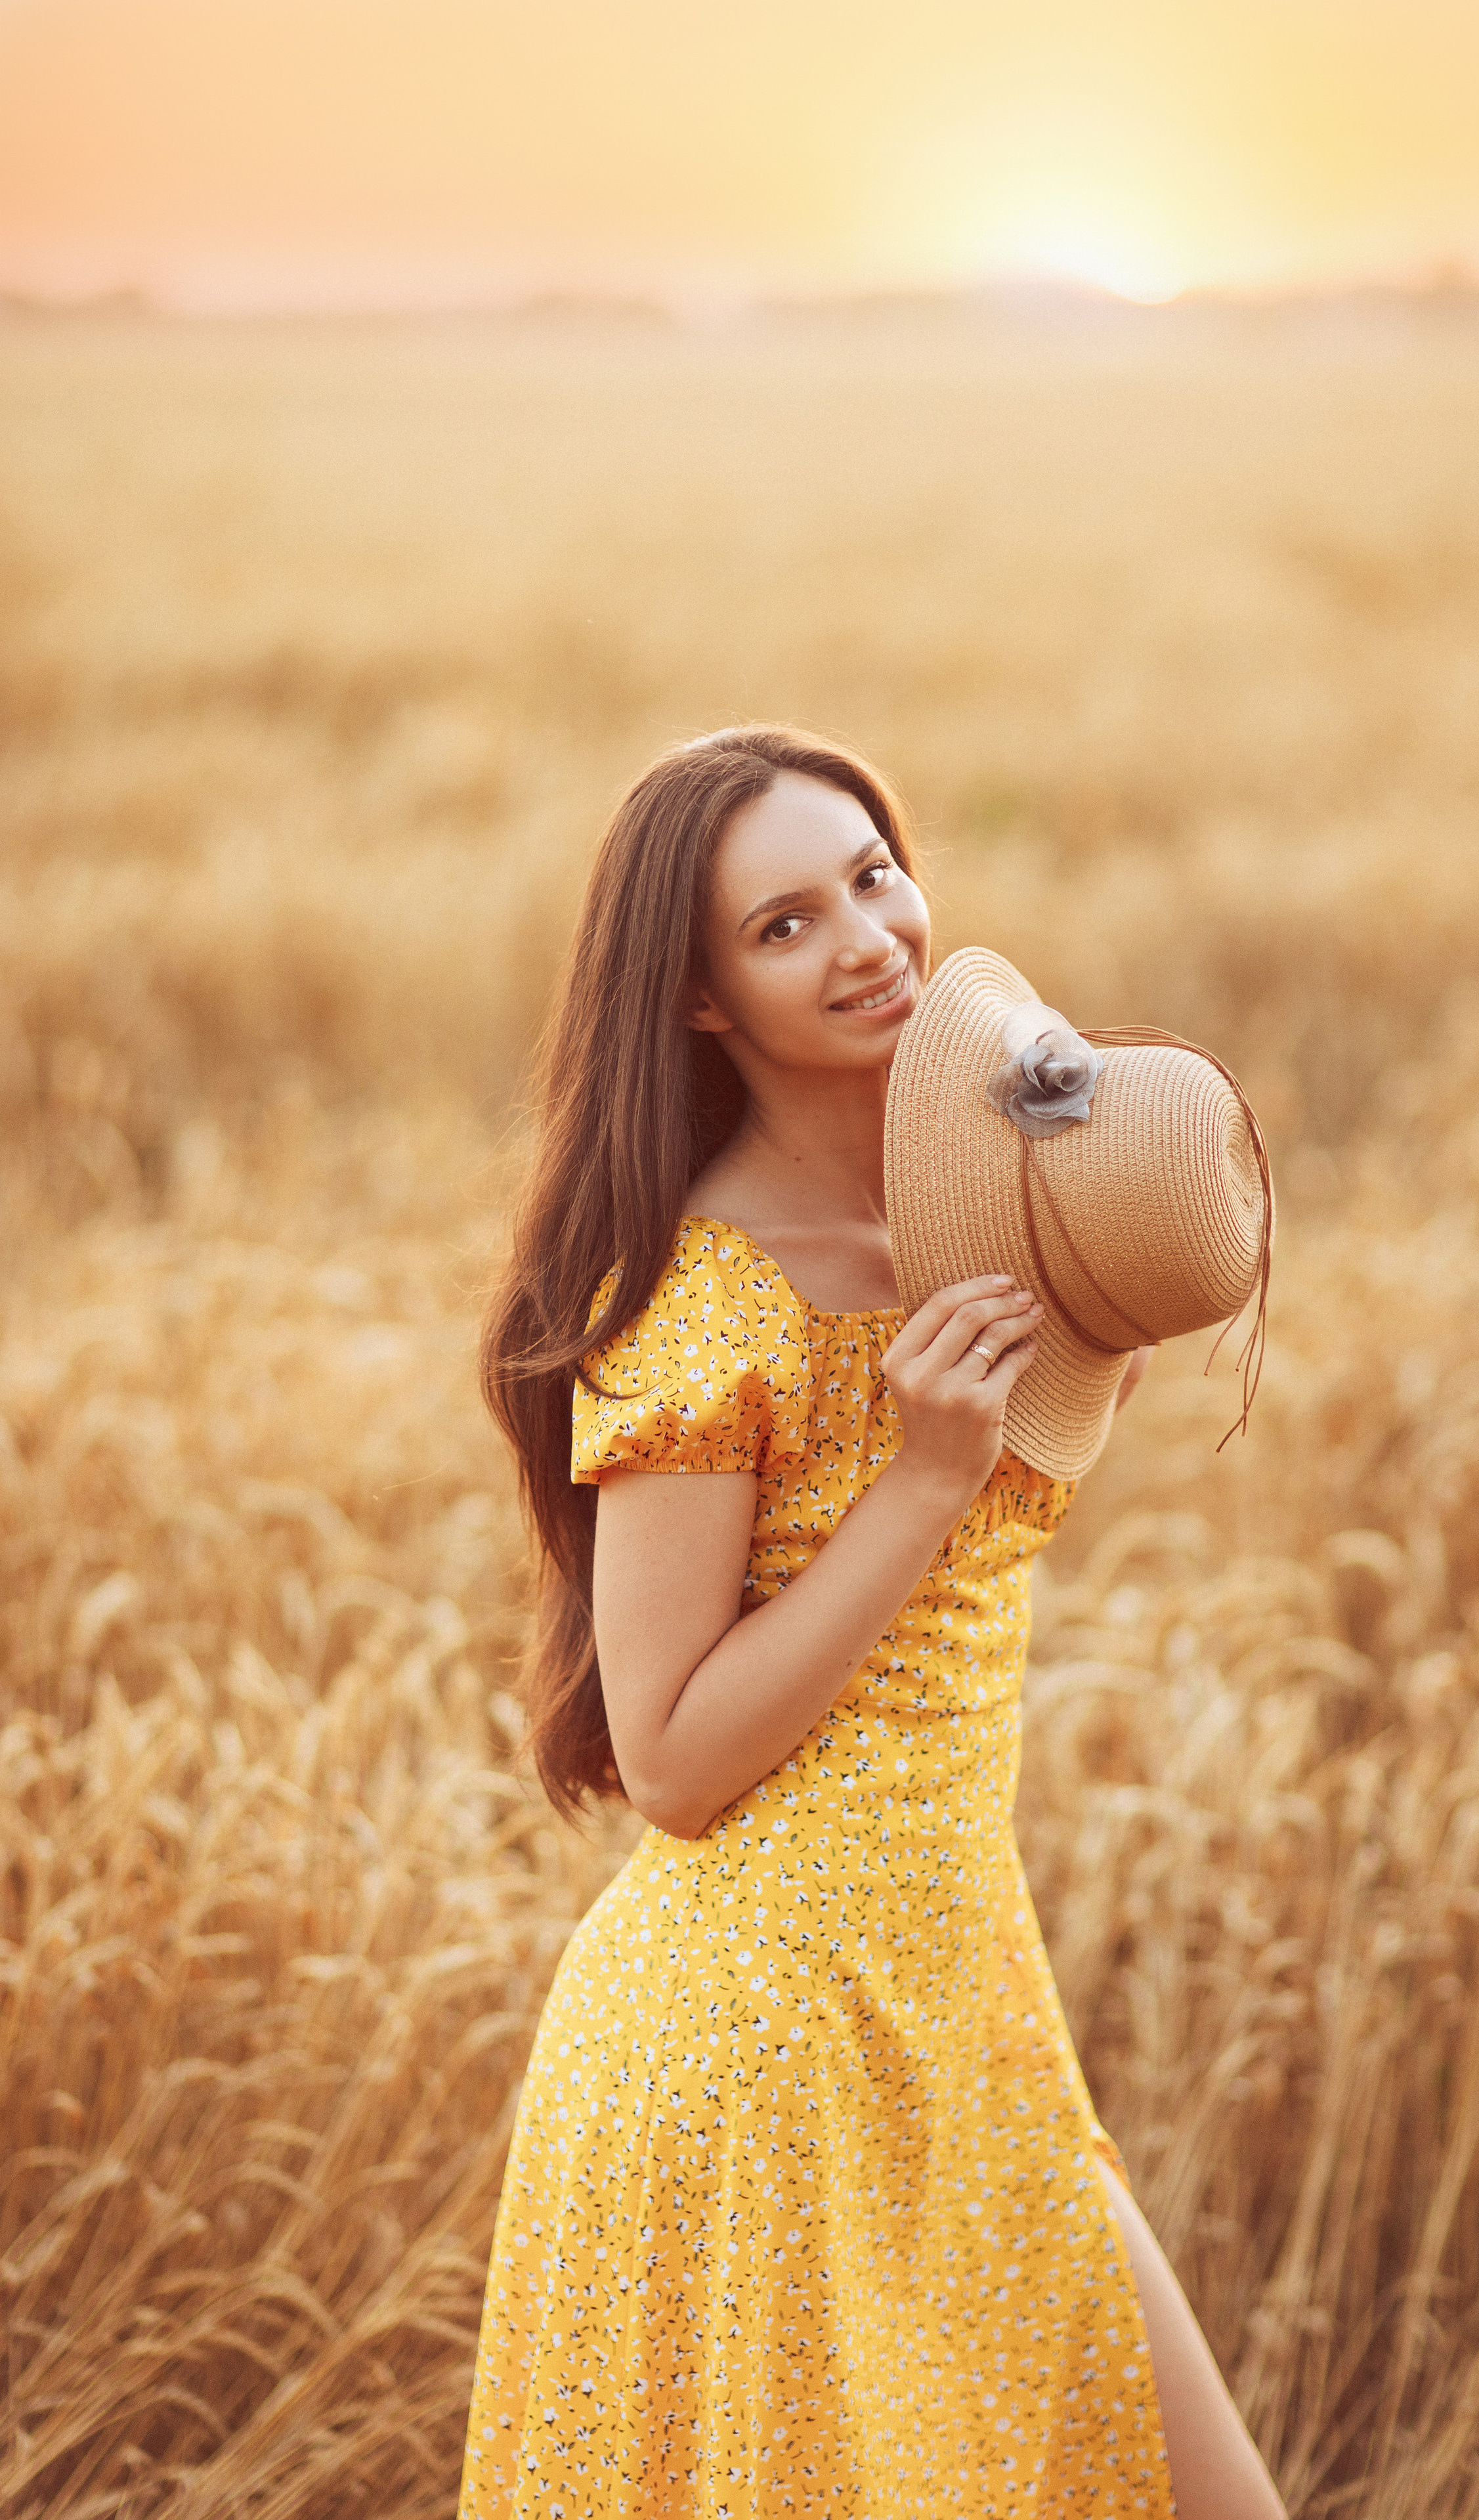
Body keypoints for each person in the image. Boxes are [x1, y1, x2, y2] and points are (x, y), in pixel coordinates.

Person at [460, 724, 1287, 2519]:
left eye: (874, 874)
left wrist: (1077, 1137)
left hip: (961, 2011)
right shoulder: (701, 1308)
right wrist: (919, 1481)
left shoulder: (1005, 1202)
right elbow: (671, 1761)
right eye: (784, 925)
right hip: (753, 2057)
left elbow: (1173, 1167)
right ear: (694, 1001)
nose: (865, 938)